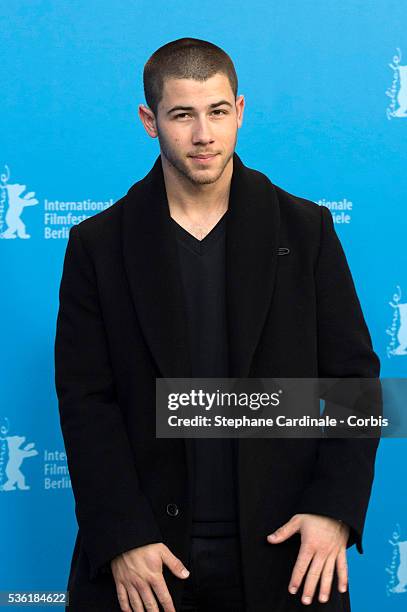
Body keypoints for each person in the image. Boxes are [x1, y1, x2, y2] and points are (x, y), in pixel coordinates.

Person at [54, 37, 381, 611]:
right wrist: (123, 535)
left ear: (240, 112)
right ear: (149, 121)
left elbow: (358, 382)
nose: (203, 134)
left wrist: (334, 511)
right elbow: (85, 401)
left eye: (218, 111)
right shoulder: (97, 245)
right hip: (145, 561)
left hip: (285, 555)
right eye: (182, 114)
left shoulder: (308, 231)